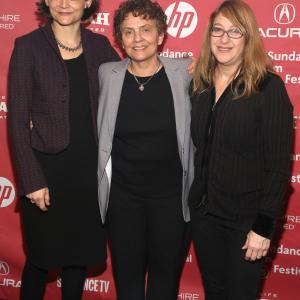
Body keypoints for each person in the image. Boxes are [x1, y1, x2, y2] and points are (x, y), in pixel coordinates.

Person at [8, 0, 119, 299]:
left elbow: (132, 76)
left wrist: (178, 67)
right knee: (40, 260)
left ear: (87, 2)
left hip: (89, 174)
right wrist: (31, 179)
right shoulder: (28, 46)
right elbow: (17, 122)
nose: (64, 3)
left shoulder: (100, 46)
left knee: (78, 259)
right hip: (47, 173)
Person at [188, 1, 293, 299]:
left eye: (235, 31)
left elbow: (277, 168)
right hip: (205, 216)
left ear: (249, 38)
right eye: (218, 30)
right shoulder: (200, 84)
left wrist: (262, 227)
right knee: (215, 293)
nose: (224, 39)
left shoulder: (268, 88)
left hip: (245, 223)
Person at [97, 0, 194, 299]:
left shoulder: (186, 72)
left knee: (165, 283)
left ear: (161, 35)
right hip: (123, 200)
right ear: (119, 38)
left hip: (171, 200)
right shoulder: (107, 74)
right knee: (127, 282)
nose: (137, 38)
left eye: (145, 29)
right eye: (128, 32)